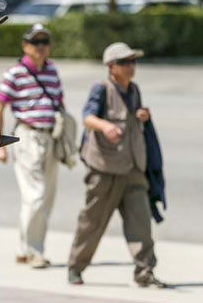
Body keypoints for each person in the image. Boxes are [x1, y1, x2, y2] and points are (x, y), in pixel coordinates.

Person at [67, 42, 167, 288]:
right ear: (111, 66)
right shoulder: (101, 88)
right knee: (93, 222)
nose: (131, 66)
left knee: (141, 224)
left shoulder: (134, 89)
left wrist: (142, 116)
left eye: (133, 61)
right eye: (124, 62)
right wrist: (106, 126)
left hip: (134, 167)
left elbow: (134, 121)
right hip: (105, 169)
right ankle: (75, 267)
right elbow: (88, 117)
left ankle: (145, 271)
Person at [0, 24, 64, 269]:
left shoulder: (52, 70)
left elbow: (59, 104)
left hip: (50, 138)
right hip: (27, 137)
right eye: (36, 42)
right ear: (25, 46)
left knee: (43, 199)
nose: (41, 46)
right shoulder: (15, 73)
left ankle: (23, 248)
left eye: (45, 41)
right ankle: (36, 251)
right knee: (36, 196)